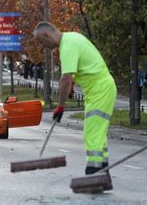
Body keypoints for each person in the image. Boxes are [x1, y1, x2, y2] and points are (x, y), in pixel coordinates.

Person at [33, 21, 117, 180]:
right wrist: (73, 82)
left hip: (100, 90)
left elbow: (65, 79)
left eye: (42, 42)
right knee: (96, 134)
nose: (44, 47)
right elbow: (83, 68)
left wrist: (60, 107)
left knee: (93, 134)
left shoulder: (67, 46)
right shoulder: (72, 38)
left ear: (47, 35)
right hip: (99, 89)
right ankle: (101, 174)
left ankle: (94, 176)